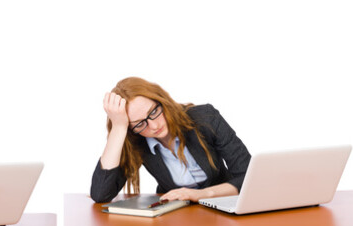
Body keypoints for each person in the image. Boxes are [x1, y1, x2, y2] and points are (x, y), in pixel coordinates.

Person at [91, 77, 251, 203]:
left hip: (222, 206)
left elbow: (248, 176)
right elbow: (100, 194)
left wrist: (201, 194)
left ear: (162, 100)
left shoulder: (205, 118)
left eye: (153, 112)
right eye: (140, 124)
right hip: (175, 217)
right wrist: (119, 128)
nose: (153, 126)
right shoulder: (137, 142)